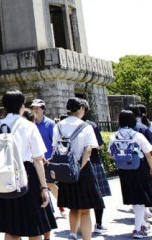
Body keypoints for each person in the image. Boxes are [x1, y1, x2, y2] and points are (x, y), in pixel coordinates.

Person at [0, 89, 52, 240]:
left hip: (4, 174)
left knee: (11, 228)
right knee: (34, 226)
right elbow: (38, 159)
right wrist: (44, 187)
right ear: (22, 106)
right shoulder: (28, 126)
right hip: (27, 174)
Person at [53, 97, 103, 240]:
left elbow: (55, 149)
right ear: (80, 108)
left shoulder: (59, 126)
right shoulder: (86, 126)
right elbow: (88, 150)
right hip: (83, 168)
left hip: (66, 169)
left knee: (73, 206)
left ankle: (73, 233)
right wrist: (80, 167)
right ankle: (86, 238)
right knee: (86, 209)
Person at [109, 110, 152, 238]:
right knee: (140, 199)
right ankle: (137, 229)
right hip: (139, 168)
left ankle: (142, 224)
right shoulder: (137, 135)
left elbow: (110, 155)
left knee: (132, 197)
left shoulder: (114, 136)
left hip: (123, 170)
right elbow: (148, 153)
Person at [78, 99, 110, 235]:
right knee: (98, 195)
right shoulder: (91, 125)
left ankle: (81, 225)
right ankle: (98, 223)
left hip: (77, 164)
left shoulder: (68, 125)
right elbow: (99, 145)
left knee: (80, 196)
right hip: (93, 162)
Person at [30, 99, 62, 221]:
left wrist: (50, 158)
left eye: (38, 108)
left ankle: (62, 204)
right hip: (34, 160)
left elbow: (55, 143)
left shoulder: (50, 124)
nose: (35, 110)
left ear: (43, 109)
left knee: (49, 184)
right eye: (33, 108)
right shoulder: (30, 124)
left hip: (47, 160)